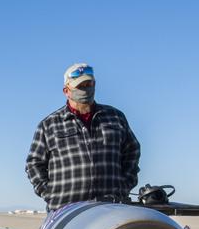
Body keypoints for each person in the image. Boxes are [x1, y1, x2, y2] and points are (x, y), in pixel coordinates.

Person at [25, 63, 140, 211]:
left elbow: (133, 150)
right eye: (80, 86)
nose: (86, 89)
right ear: (66, 91)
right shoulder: (49, 125)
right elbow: (34, 163)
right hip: (65, 210)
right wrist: (49, 193)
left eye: (89, 84)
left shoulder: (115, 117)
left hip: (111, 207)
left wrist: (125, 184)